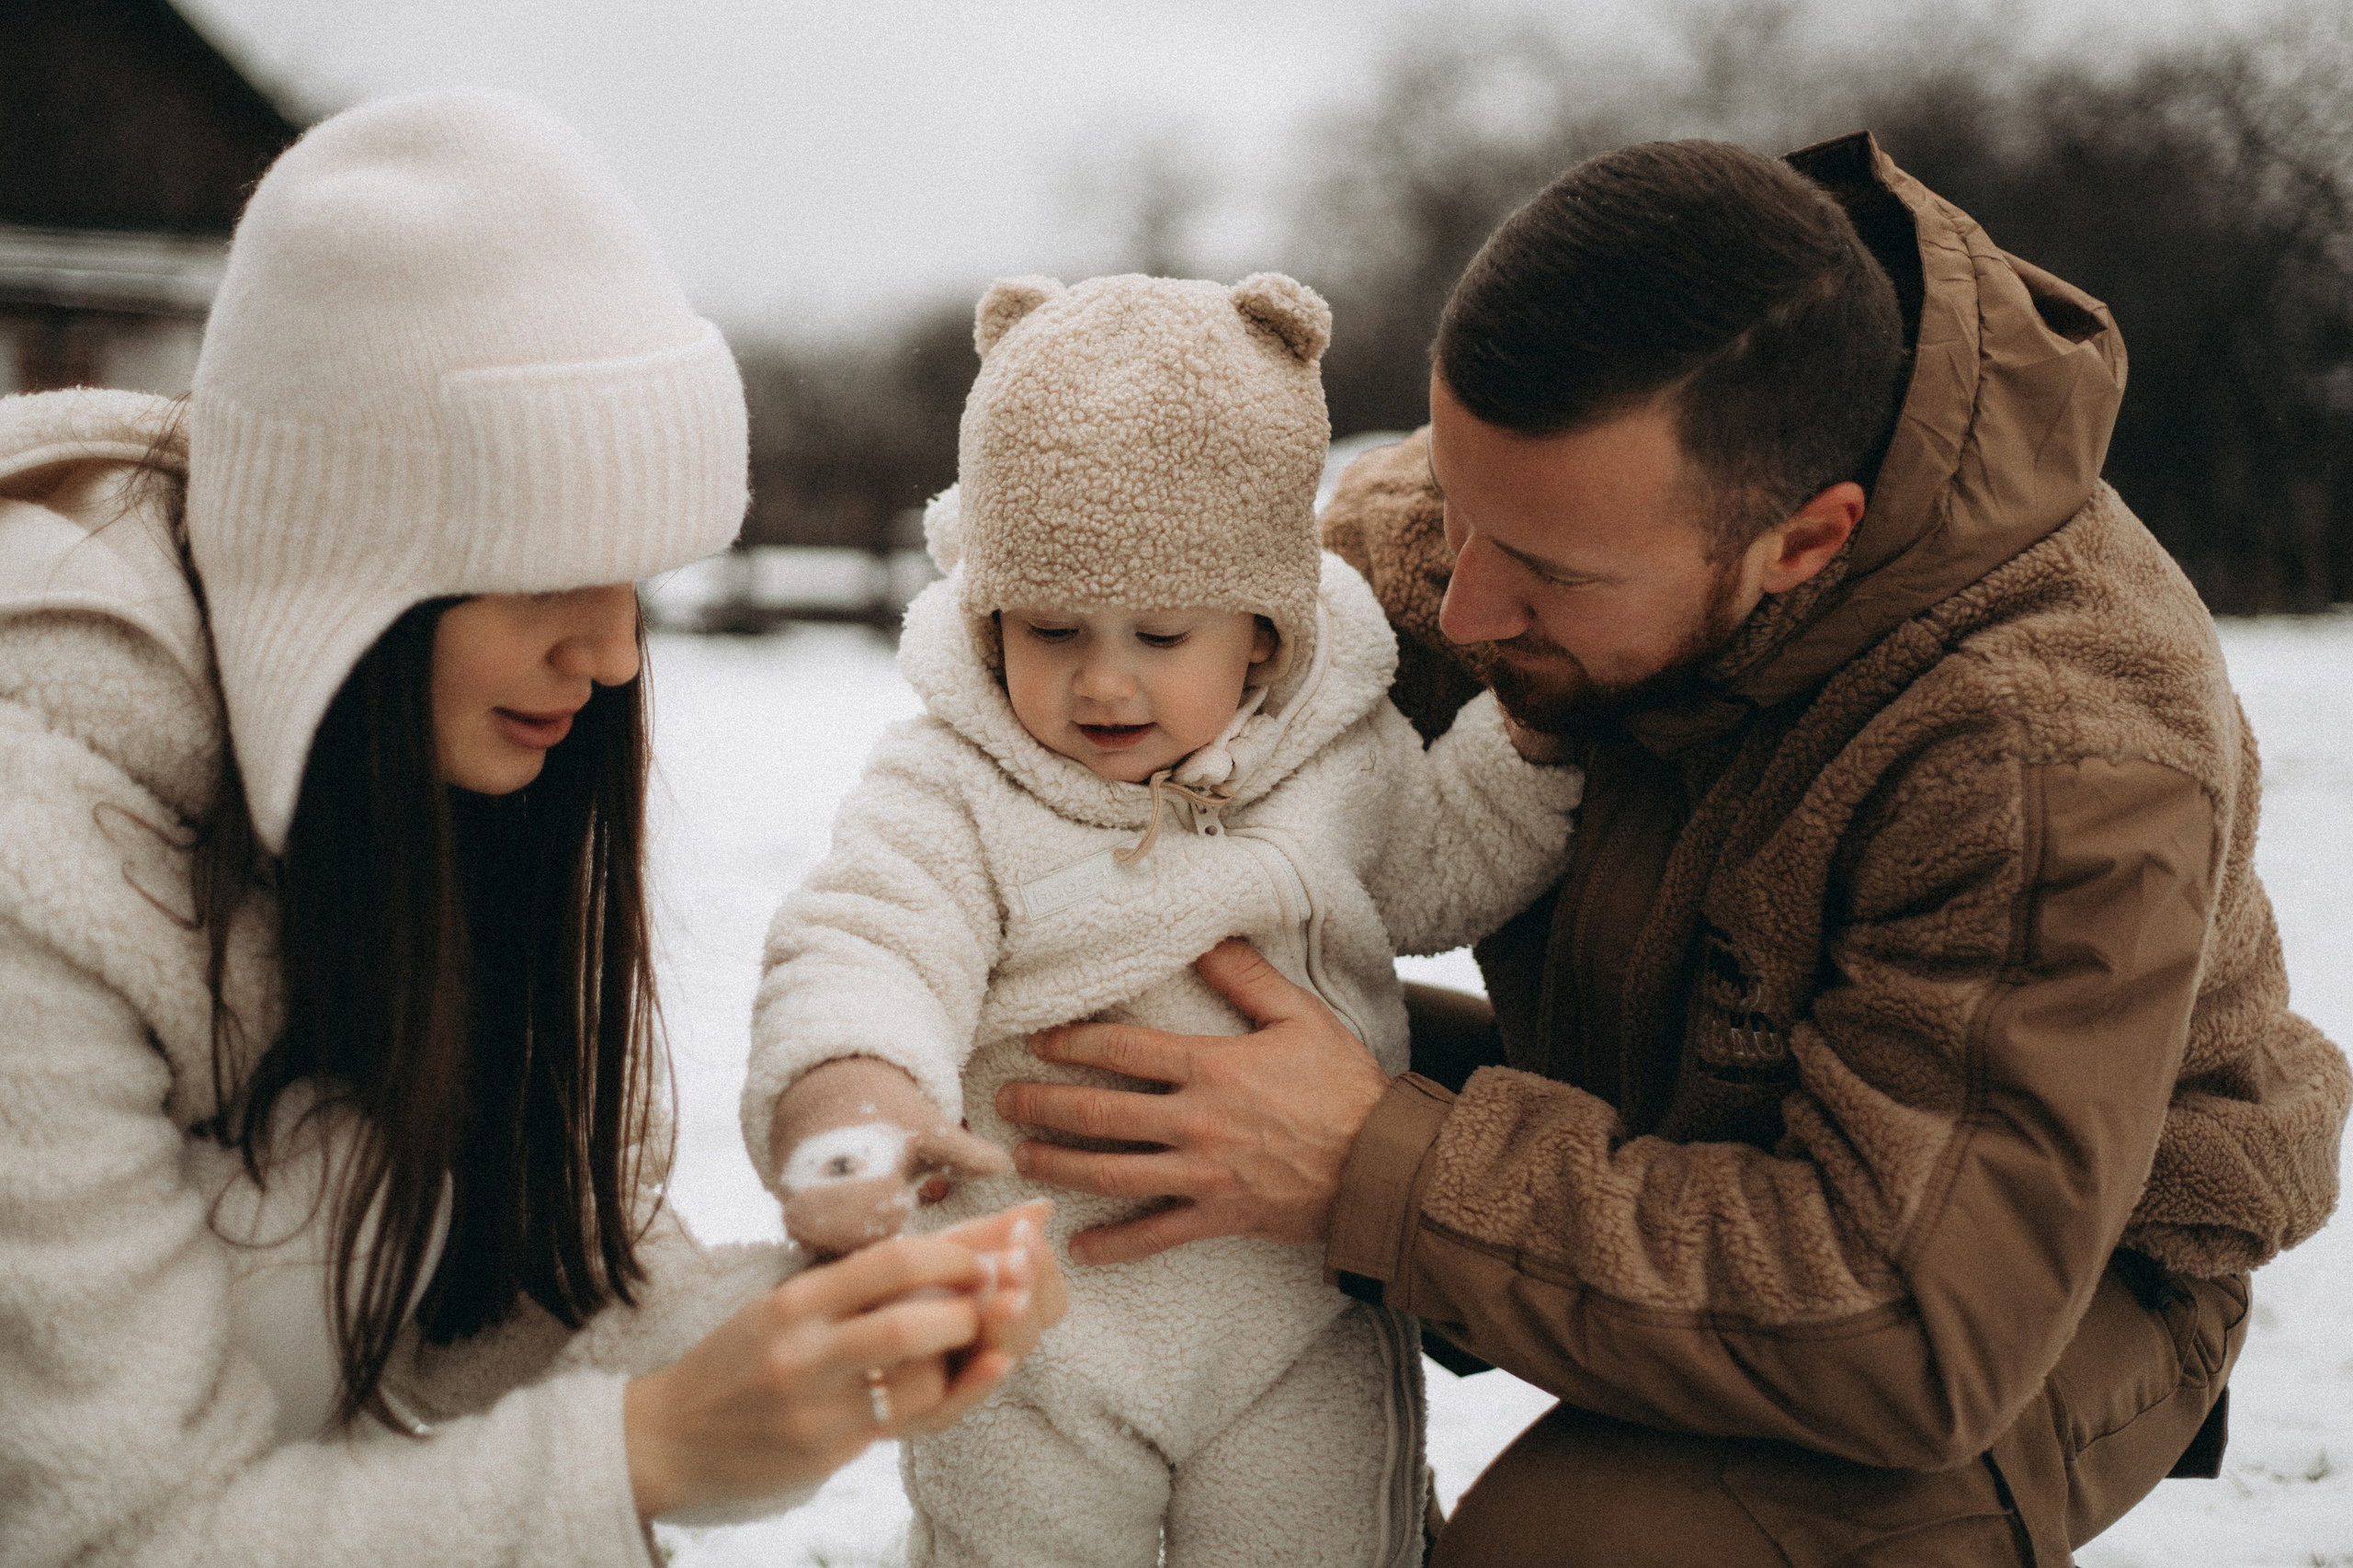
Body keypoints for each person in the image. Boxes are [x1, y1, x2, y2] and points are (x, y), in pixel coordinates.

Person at [993, 134, 2353, 1563]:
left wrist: (1374, 1164)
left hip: (2020, 1290)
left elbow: (1915, 1322)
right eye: (1458, 507)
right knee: (1133, 1084)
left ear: (1804, 543)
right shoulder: (1546, 494)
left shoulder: (2048, 753)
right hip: (1671, 1103)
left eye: (1551, 575)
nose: (1460, 607)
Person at [0, 90, 1060, 1568]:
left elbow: (503, 1307)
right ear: (352, 563)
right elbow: (106, 1535)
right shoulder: (33, 843)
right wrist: (652, 1453)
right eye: (554, 570)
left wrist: (807, 1335)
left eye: (639, 580)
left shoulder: (435, 785)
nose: (617, 655)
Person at [741, 272, 1585, 1568]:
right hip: (1034, 1323)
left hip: (1293, 1316)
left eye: (1160, 631)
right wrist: (851, 1087)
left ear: (1260, 631)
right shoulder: (956, 783)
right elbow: (871, 933)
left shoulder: (1336, 756)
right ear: (988, 614)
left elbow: (1439, 862)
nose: (1103, 679)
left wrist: (1535, 743)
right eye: (1052, 627)